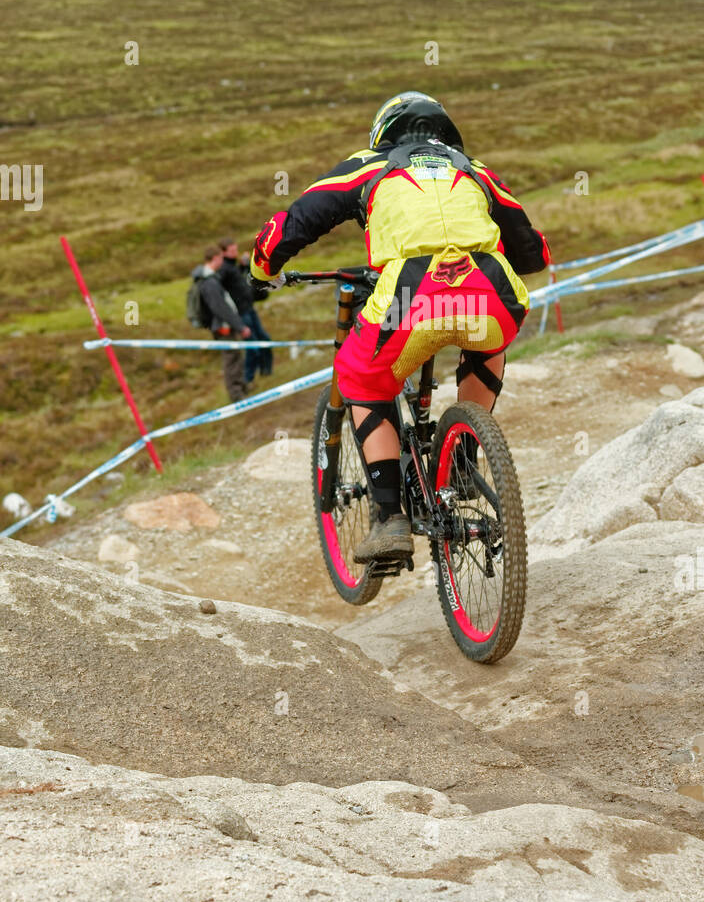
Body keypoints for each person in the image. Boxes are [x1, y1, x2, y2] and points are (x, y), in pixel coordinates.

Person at [249, 91, 550, 563]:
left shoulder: (370, 166)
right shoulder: (476, 170)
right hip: (493, 287)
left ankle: (390, 517)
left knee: (359, 375)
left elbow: (295, 222)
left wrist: (261, 272)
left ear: (384, 131)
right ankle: (464, 459)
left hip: (412, 292)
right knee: (490, 338)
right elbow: (532, 254)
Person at [198, 245, 251, 402]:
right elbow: (221, 308)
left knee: (235, 357)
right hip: (222, 327)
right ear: (215, 259)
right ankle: (236, 394)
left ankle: (241, 387)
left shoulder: (211, 278)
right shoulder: (209, 283)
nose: (223, 261)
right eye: (221, 258)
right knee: (231, 359)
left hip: (225, 326)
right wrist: (240, 326)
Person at [219, 236, 273, 386]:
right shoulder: (223, 270)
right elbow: (220, 285)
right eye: (232, 251)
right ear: (223, 253)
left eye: (235, 249)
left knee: (264, 339)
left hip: (249, 309)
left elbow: (235, 276)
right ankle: (248, 379)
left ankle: (266, 371)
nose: (235, 253)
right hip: (241, 314)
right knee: (252, 347)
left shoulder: (232, 267)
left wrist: (243, 265)